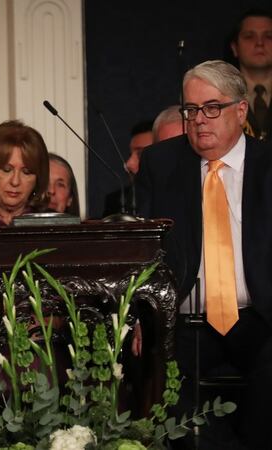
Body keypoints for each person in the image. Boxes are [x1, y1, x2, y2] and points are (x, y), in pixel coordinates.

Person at [136, 60, 272, 449]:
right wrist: (141, 318)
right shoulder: (161, 164)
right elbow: (146, 251)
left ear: (240, 110)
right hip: (187, 319)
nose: (199, 120)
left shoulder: (266, 165)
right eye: (191, 110)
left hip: (261, 315)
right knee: (166, 375)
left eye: (212, 108)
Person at [231, 9, 272, 141]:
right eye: (249, 36)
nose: (260, 43)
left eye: (269, 36)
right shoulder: (221, 94)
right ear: (235, 48)